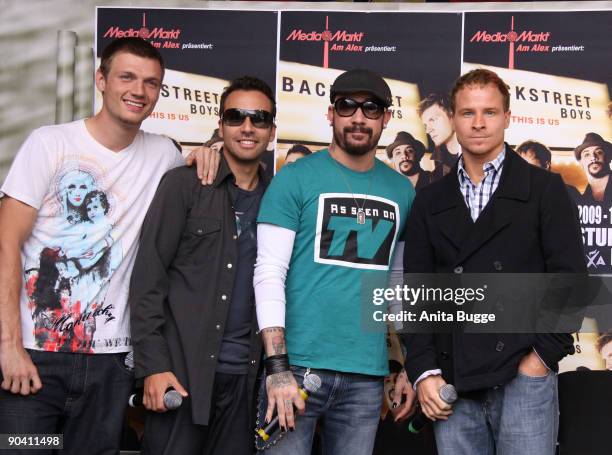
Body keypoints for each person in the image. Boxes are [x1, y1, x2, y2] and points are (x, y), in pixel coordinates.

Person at [0, 37, 212, 454]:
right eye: (127, 77)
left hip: (111, 365)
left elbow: (193, 168)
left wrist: (210, 152)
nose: (139, 90)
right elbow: (6, 246)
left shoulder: (163, 154)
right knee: (24, 449)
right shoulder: (50, 144)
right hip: (34, 359)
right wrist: (8, 347)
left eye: (151, 83)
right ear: (101, 79)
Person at [401, 69, 586, 455]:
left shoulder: (544, 189)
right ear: (453, 119)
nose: (479, 123)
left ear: (507, 117)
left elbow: (570, 279)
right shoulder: (430, 201)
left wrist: (541, 358)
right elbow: (417, 294)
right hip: (453, 382)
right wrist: (424, 371)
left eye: (490, 112)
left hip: (523, 375)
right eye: (468, 113)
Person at [253, 68, 416, 455]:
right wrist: (277, 368)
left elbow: (397, 282)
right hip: (296, 369)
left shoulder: (401, 191)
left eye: (371, 108)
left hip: (366, 376)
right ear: (331, 114)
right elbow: (269, 273)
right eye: (347, 106)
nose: (358, 117)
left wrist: (405, 364)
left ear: (386, 119)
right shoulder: (294, 178)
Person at [129, 76, 275, 455]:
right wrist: (153, 366)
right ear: (220, 123)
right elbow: (148, 279)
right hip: (181, 375)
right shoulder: (184, 185)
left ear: (272, 131)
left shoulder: (280, 198)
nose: (247, 127)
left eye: (259, 119)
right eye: (236, 116)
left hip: (246, 383)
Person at [418, 93, 461, 181]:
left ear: (452, 116)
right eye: (425, 125)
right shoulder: (437, 173)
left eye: (432, 120)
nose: (428, 130)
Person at [574, 133, 612, 204]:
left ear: (609, 157)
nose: (593, 158)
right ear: (581, 163)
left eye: (599, 152)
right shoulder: (583, 199)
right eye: (587, 154)